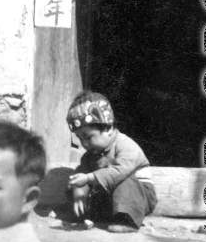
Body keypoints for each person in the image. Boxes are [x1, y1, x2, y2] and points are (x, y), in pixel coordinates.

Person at [66, 90, 157, 233]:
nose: (84, 143)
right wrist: (79, 193)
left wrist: (89, 178)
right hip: (110, 196)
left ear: (108, 128)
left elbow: (118, 172)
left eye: (88, 137)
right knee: (77, 187)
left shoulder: (126, 145)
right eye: (79, 138)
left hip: (138, 195)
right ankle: (81, 213)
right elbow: (82, 174)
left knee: (123, 180)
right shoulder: (89, 156)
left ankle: (127, 220)